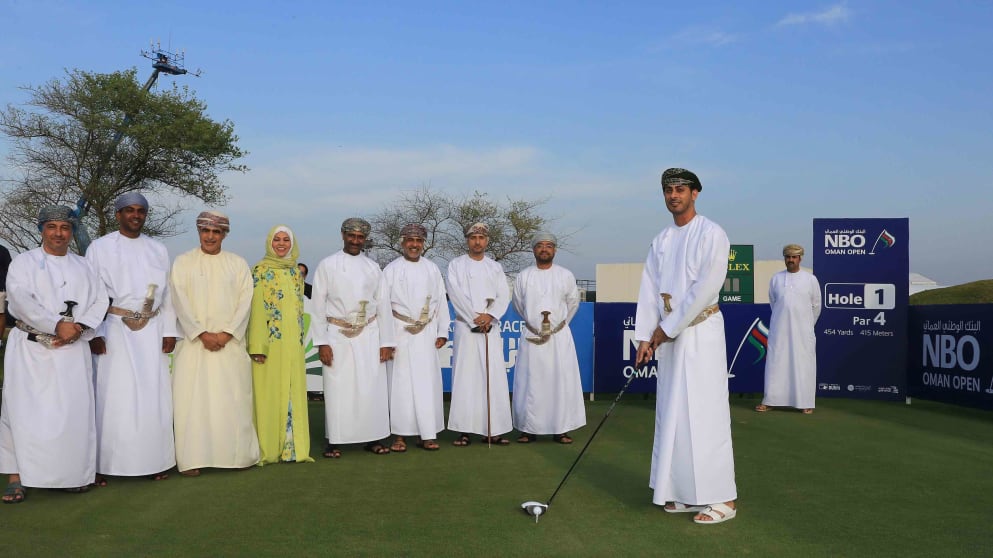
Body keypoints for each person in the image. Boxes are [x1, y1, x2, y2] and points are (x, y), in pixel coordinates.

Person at [634, 168, 737, 525]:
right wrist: (645, 337)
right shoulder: (661, 239)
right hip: (669, 337)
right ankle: (686, 493)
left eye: (680, 189)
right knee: (674, 414)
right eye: (668, 190)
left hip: (701, 332)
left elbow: (706, 287)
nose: (673, 195)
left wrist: (666, 328)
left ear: (695, 193)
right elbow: (649, 289)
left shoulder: (712, 233)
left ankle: (723, 497)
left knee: (706, 413)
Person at [0, 206, 109, 503]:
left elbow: (100, 300)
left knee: (72, 413)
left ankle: (71, 475)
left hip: (73, 349)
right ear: (41, 230)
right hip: (31, 348)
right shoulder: (24, 263)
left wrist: (79, 327)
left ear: (71, 231)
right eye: (52, 227)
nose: (58, 233)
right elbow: (20, 300)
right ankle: (16, 477)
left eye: (64, 227)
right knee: (22, 411)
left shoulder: (85, 266)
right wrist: (56, 325)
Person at [86, 193, 177, 484]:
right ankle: (104, 464)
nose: (135, 215)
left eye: (140, 211)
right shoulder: (99, 247)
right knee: (113, 397)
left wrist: (169, 331)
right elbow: (92, 293)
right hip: (114, 329)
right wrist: (96, 333)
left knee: (153, 396)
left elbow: (168, 294)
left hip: (152, 329)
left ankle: (155, 460)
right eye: (129, 210)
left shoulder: (158, 249)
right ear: (118, 215)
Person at [169, 211, 260, 476]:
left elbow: (245, 302)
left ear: (224, 235)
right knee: (192, 403)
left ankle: (237, 457)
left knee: (232, 401)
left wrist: (227, 333)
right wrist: (201, 333)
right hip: (194, 345)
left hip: (229, 346)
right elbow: (179, 300)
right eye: (206, 231)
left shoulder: (237, 264)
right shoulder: (183, 262)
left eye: (216, 232)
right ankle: (191, 459)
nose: (210, 237)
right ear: (199, 232)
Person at [312, 218, 396, 458]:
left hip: (369, 334)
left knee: (371, 388)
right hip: (337, 335)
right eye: (351, 236)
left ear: (365, 239)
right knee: (338, 389)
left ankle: (374, 438)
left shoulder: (373, 267)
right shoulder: (328, 265)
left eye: (360, 237)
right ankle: (335, 440)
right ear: (343, 235)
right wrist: (322, 342)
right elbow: (318, 306)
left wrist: (386, 342)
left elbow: (383, 306)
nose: (355, 241)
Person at [247, 225, 314, 464]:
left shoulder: (296, 272)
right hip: (269, 345)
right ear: (269, 242)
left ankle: (293, 449)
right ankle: (269, 449)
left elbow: (298, 310)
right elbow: (255, 310)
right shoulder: (260, 270)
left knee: (292, 392)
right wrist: (257, 346)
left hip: (293, 345)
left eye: (286, 239)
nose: (282, 244)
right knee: (269, 394)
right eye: (277, 239)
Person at [512, 232, 586, 444]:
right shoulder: (524, 276)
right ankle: (528, 429)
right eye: (540, 245)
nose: (544, 249)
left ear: (555, 250)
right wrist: (535, 326)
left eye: (548, 246)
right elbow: (518, 304)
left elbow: (573, 303)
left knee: (559, 382)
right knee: (531, 382)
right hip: (532, 336)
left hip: (558, 338)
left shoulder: (565, 275)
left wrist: (556, 328)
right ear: (533, 249)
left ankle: (560, 429)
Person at [383, 223, 450, 452]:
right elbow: (383, 306)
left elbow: (441, 302)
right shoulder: (391, 269)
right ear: (402, 242)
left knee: (426, 384)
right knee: (400, 385)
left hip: (426, 334)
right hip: (399, 332)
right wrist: (387, 340)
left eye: (419, 241)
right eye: (410, 240)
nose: (414, 245)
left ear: (423, 244)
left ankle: (427, 434)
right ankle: (399, 435)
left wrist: (442, 331)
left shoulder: (432, 269)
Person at [446, 223, 512, 446]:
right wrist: (474, 317)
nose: (477, 241)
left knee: (493, 377)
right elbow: (455, 294)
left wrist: (490, 316)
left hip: (490, 328)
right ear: (467, 240)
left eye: (481, 238)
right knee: (465, 377)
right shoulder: (456, 265)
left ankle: (493, 429)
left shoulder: (495, 267)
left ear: (487, 241)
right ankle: (464, 430)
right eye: (473, 237)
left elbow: (503, 295)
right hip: (466, 327)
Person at [756, 244, 822, 414]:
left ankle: (805, 402)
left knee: (803, 364)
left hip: (803, 332)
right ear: (784, 258)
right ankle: (770, 400)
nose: (791, 260)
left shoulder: (810, 279)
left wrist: (806, 325)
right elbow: (774, 302)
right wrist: (783, 320)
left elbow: (816, 305)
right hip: (780, 330)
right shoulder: (776, 279)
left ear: (800, 258)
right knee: (776, 364)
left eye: (794, 257)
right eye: (788, 257)